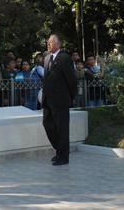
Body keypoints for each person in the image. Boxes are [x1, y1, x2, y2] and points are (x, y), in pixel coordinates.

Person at [42, 34, 77, 166]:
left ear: (57, 44)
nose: (48, 44)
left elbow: (72, 81)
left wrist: (69, 97)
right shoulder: (46, 59)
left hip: (61, 100)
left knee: (62, 128)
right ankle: (59, 150)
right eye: (47, 42)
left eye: (50, 42)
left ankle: (63, 156)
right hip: (48, 100)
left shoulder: (64, 58)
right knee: (47, 124)